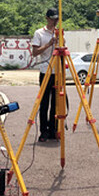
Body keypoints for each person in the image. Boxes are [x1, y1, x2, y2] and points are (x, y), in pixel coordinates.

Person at [32, 8, 59, 142]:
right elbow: (35, 52)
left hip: (57, 73)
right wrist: (49, 44)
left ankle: (53, 129)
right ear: (47, 18)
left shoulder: (60, 33)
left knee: (56, 104)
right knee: (44, 103)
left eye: (57, 19)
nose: (55, 21)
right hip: (45, 71)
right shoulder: (39, 33)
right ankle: (43, 132)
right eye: (53, 18)